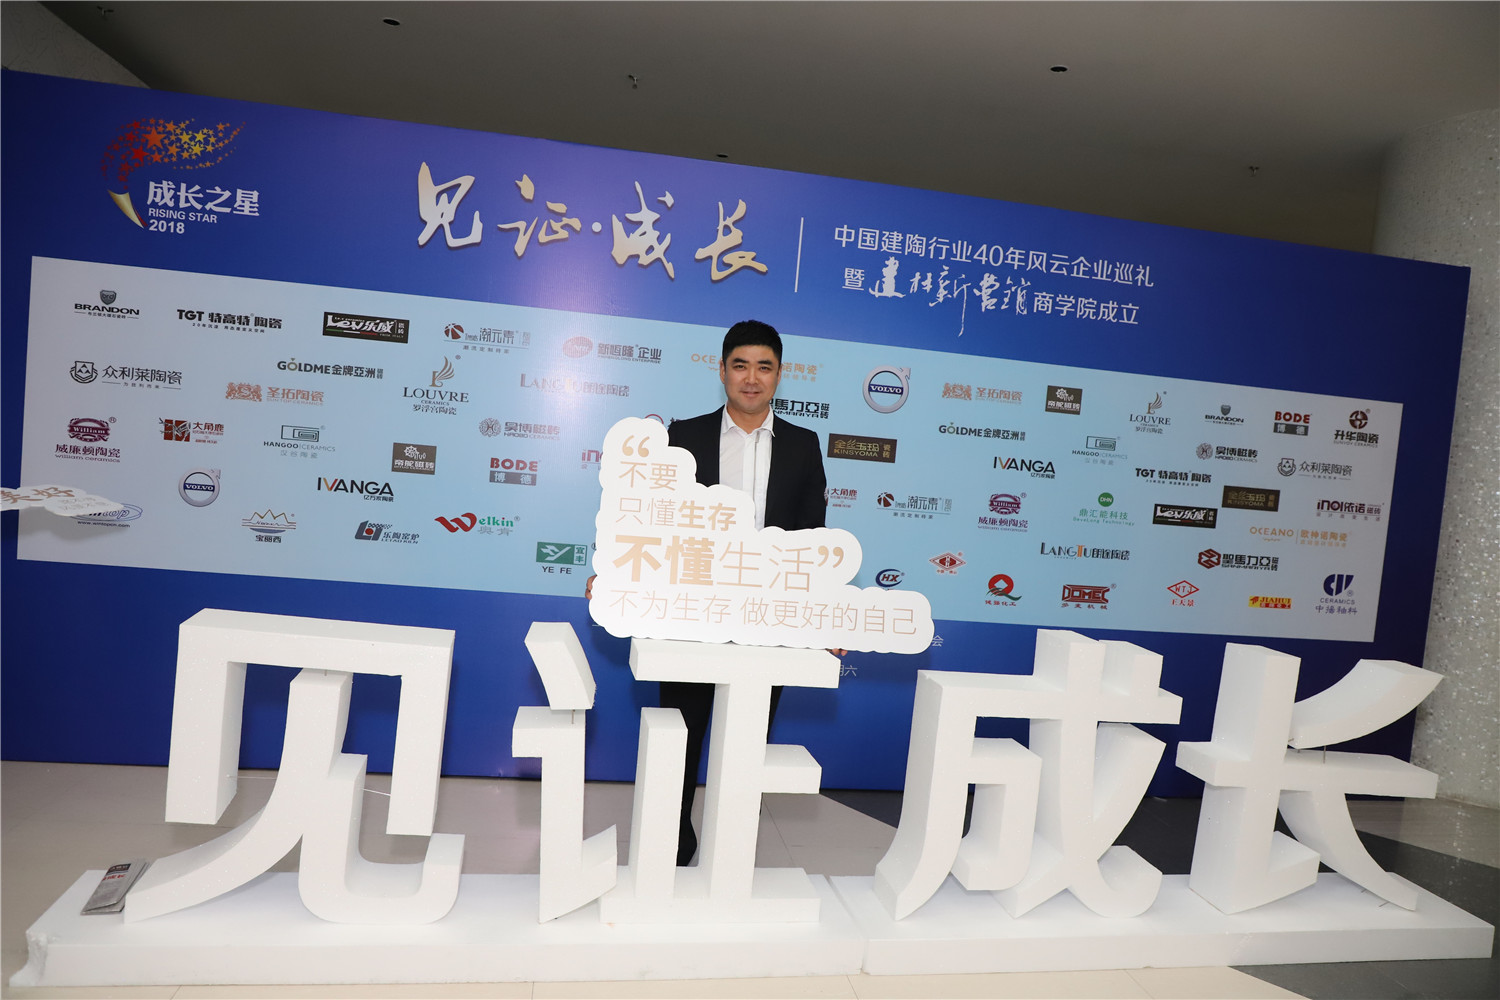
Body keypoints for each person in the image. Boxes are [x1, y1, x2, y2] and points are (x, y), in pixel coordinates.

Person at [662, 319, 830, 866]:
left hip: (768, 619)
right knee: (681, 734)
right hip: (693, 613)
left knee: (747, 740)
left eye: (764, 367)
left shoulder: (803, 446)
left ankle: (730, 848)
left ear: (780, 374)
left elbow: (811, 540)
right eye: (740, 365)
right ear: (722, 371)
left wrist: (825, 617)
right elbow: (655, 524)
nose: (751, 378)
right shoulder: (683, 437)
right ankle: (673, 842)